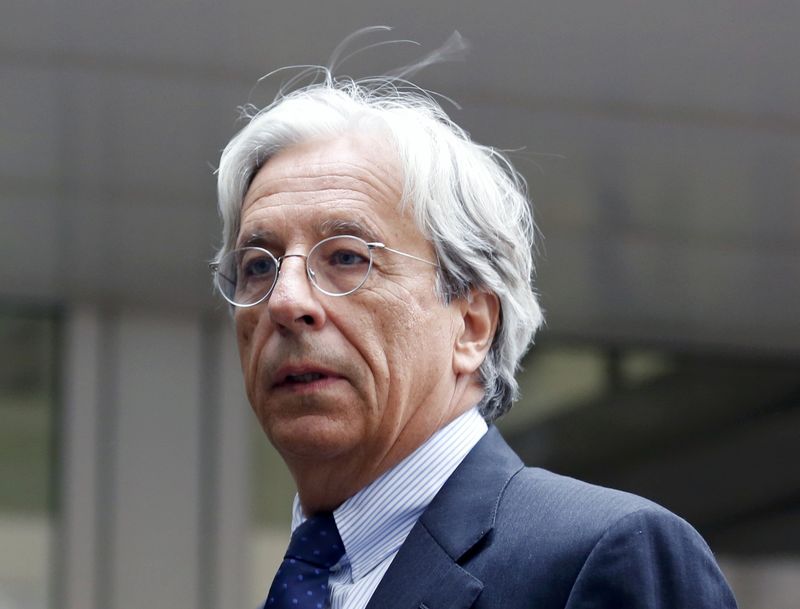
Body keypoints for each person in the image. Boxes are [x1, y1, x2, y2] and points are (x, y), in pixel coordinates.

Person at [211, 66, 738, 609]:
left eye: (347, 258)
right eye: (257, 266)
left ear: (472, 326)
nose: (286, 301)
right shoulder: (307, 583)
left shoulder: (605, 554)